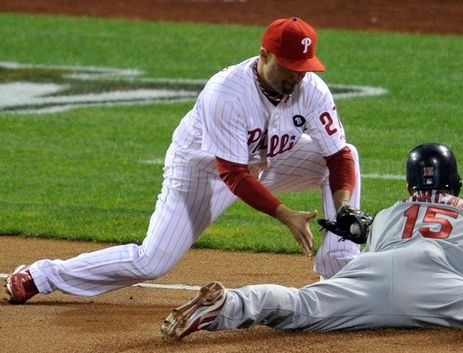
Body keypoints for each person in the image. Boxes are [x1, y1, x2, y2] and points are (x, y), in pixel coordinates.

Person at [4, 17, 362, 304]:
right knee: (152, 260)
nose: (297, 75)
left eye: (303, 66)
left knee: (348, 156)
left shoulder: (311, 88)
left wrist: (343, 205)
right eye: (289, 66)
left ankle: (337, 271)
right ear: (264, 55)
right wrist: (285, 214)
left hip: (264, 164)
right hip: (201, 172)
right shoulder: (227, 94)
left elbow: (338, 154)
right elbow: (233, 174)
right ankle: (43, 275)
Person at [160, 143, 463, 340]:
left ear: (408, 185)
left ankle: (231, 303)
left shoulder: (388, 213)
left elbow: (381, 255)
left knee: (301, 305)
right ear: (456, 181)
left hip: (369, 270)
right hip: (433, 277)